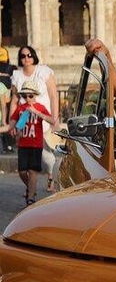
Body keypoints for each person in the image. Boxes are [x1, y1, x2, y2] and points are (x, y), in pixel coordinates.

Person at [10, 46, 60, 192]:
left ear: (34, 56)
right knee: (31, 155)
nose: (27, 58)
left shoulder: (44, 71)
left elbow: (53, 95)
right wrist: (12, 124)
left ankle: (51, 178)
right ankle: (32, 188)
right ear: (20, 58)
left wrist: (55, 118)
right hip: (24, 120)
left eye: (29, 55)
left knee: (45, 152)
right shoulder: (17, 75)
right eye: (23, 56)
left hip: (43, 117)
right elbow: (14, 100)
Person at [5, 80, 53, 205]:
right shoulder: (20, 108)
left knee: (32, 171)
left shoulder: (40, 107)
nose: (27, 98)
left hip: (36, 144)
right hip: (22, 144)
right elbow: (11, 125)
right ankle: (31, 188)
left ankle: (31, 197)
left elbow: (52, 120)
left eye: (30, 95)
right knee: (22, 171)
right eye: (24, 95)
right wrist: (12, 130)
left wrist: (37, 113)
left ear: (35, 95)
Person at [0, 46, 14, 153]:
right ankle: (7, 145)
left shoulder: (11, 68)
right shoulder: (11, 67)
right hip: (7, 96)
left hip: (6, 96)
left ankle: (6, 145)